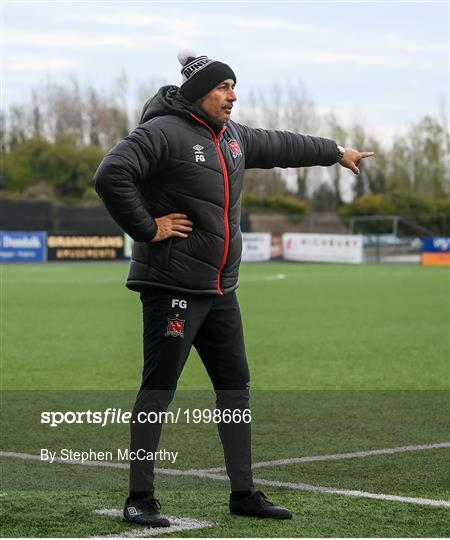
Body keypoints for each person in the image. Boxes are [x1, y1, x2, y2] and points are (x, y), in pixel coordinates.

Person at [94, 50, 374, 528]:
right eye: (224, 87)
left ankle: (243, 493)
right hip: (173, 286)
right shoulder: (162, 131)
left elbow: (283, 145)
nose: (233, 96)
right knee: (159, 388)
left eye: (233, 86)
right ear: (199, 92)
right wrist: (147, 227)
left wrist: (334, 151)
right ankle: (140, 497)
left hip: (221, 289)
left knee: (235, 388)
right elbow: (110, 174)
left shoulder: (234, 137)